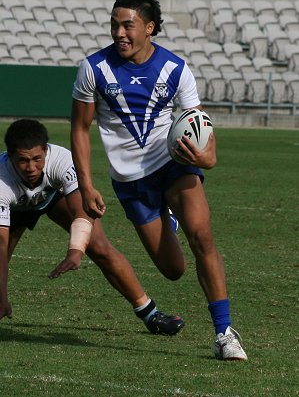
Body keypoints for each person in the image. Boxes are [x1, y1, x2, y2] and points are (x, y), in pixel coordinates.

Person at [70, 0, 247, 360]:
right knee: (173, 269)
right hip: (131, 182)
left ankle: (224, 334)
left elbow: (200, 123)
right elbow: (79, 130)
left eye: (128, 25)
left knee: (202, 235)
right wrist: (86, 184)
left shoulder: (176, 69)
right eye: (115, 25)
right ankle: (168, 216)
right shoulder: (93, 69)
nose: (119, 33)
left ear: (149, 27)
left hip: (174, 165)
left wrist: (208, 159)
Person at [0, 118, 185, 335]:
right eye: (22, 161)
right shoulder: (2, 182)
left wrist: (76, 251)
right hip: (14, 208)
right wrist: (2, 297)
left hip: (52, 198)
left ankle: (150, 314)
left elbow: (82, 212)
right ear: (10, 157)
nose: (31, 167)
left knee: (99, 246)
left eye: (37, 159)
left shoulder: (62, 160)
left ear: (46, 151)